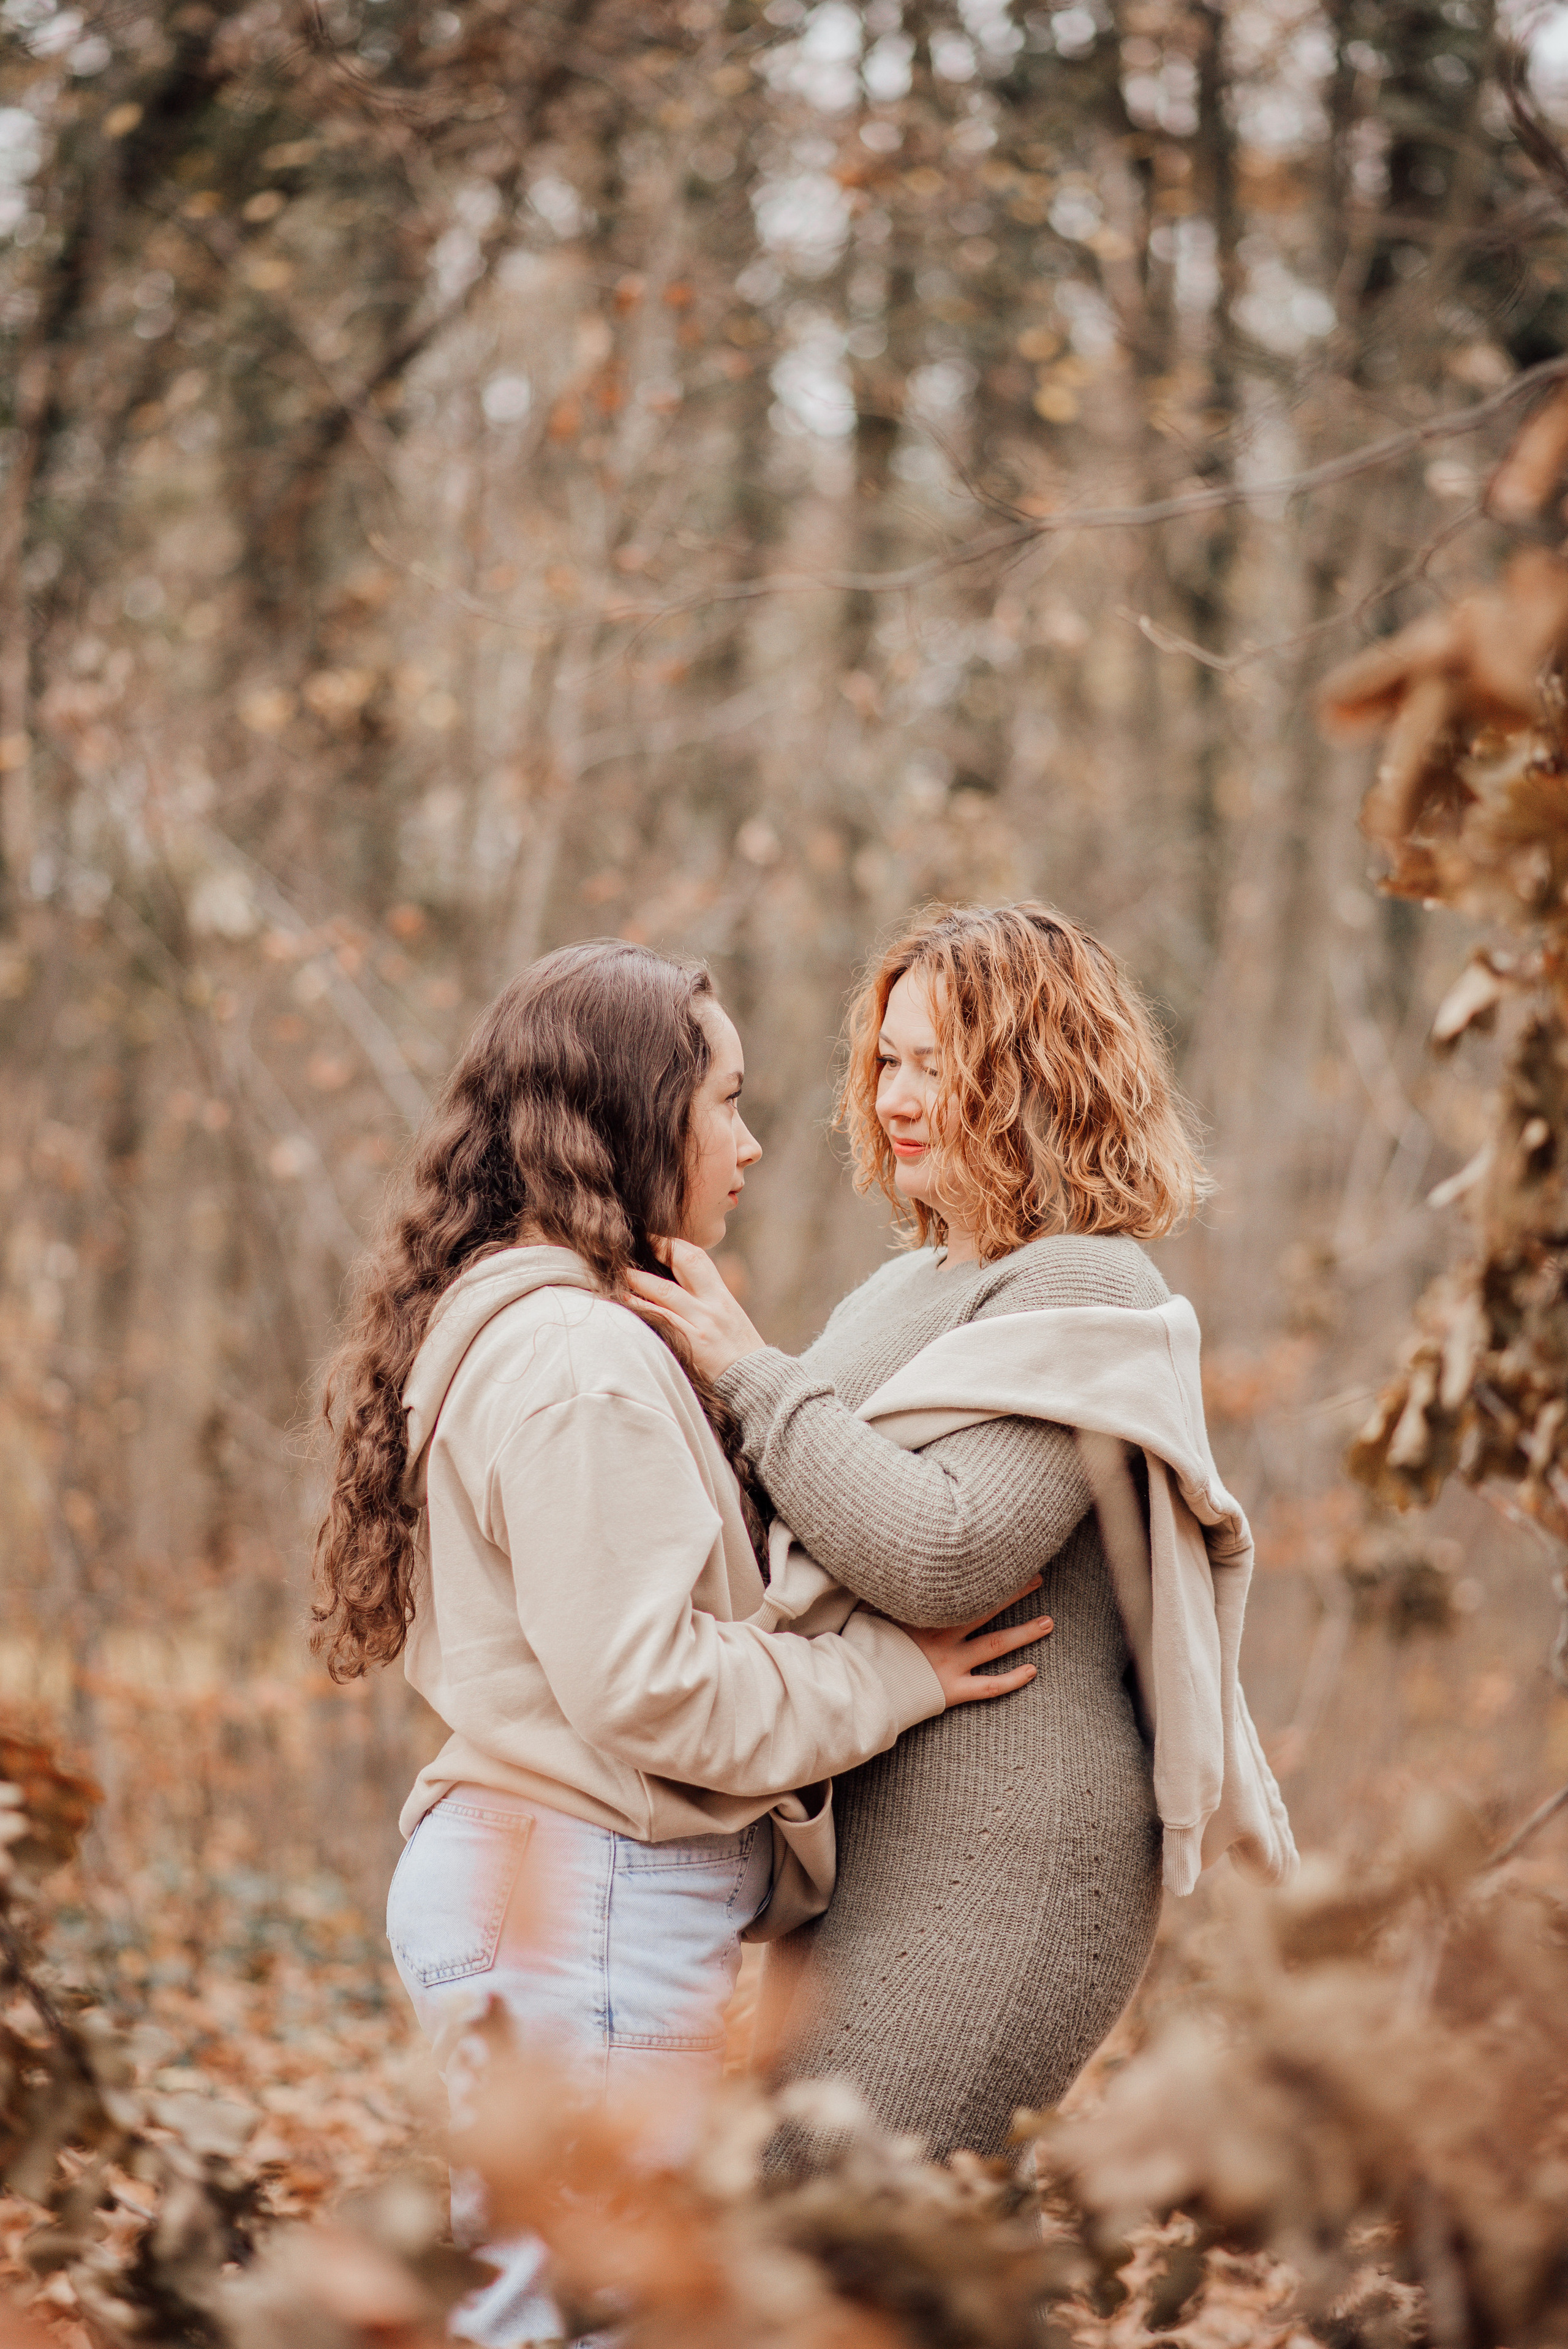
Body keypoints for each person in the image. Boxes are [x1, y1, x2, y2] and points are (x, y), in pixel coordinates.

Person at [309, 939, 1050, 2347]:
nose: (752, 1144)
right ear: (632, 1116)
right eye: (725, 1102)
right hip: (581, 1906)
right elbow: (649, 1685)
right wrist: (893, 1675)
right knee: (579, 2319)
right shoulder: (575, 1362)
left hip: (560, 1896)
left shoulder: (559, 1330)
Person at [630, 901, 1294, 2168]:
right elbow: (810, 1502)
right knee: (805, 2215)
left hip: (1011, 1864)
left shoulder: (1087, 1280)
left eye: (939, 1066)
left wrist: (750, 1372)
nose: (895, 1097)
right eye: (888, 1059)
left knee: (837, 2203)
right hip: (865, 1844)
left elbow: (946, 1553)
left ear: (1040, 1077)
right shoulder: (903, 1285)